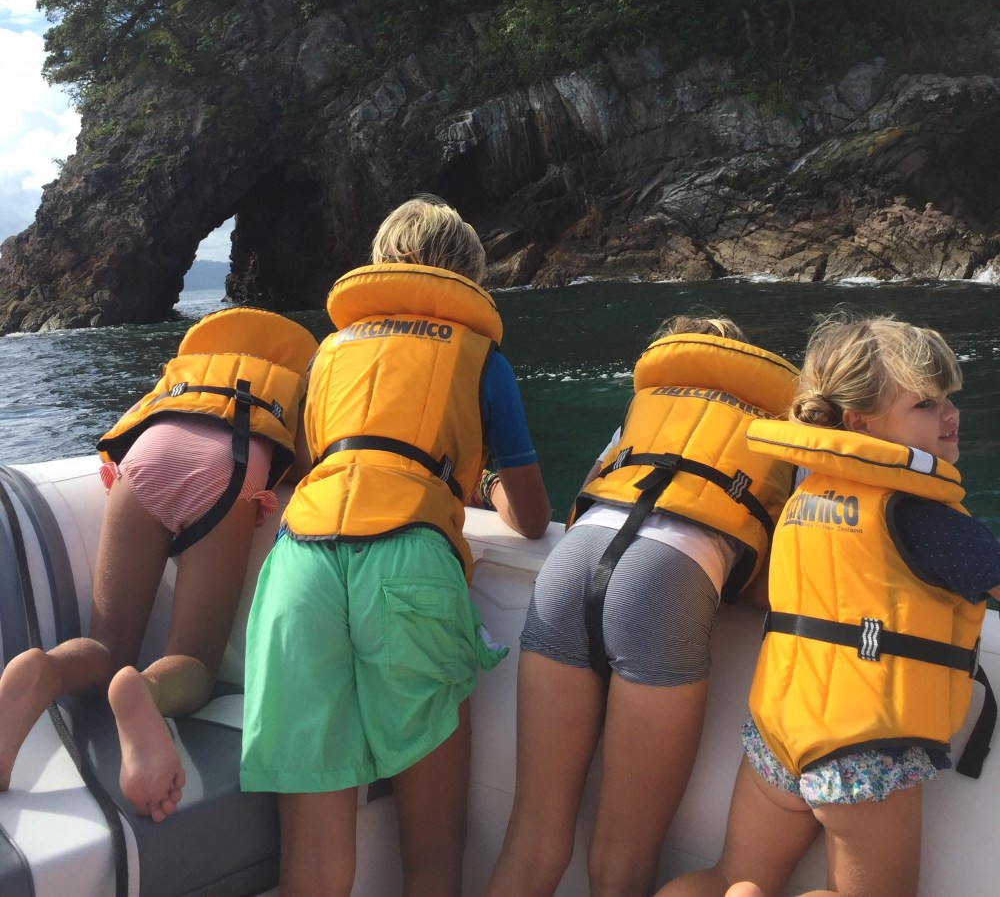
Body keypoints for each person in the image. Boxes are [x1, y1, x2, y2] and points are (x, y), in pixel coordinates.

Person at [239, 195, 551, 897]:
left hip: (300, 562)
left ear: (383, 265)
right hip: (408, 559)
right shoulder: (481, 357)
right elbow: (533, 519)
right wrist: (483, 484)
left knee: (312, 864)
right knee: (432, 853)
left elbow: (310, 465)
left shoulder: (328, 353)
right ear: (466, 277)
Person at [656, 316, 1000, 897]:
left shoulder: (805, 493)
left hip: (777, 733)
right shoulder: (924, 514)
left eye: (949, 398)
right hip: (864, 751)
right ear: (859, 422)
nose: (950, 415)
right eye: (925, 403)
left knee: (731, 878)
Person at [486, 316, 799, 897]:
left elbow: (586, 497)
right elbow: (775, 575)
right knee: (623, 856)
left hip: (573, 561)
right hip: (668, 576)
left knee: (531, 837)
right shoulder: (782, 428)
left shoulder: (646, 407)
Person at [0, 306, 317, 823]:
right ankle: (144, 691)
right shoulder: (293, 382)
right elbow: (307, 461)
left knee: (107, 643)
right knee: (194, 662)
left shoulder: (186, 374)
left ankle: (46, 670)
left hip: (147, 455)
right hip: (229, 463)